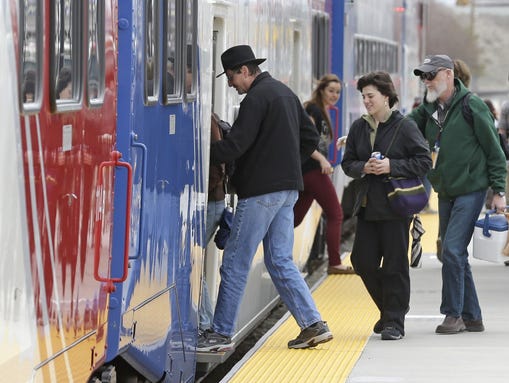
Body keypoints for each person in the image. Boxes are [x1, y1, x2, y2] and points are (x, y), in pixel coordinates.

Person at [197, 45, 333, 352]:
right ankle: (313, 324)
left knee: (234, 261)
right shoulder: (285, 93)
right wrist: (285, 164)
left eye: (232, 77)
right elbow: (311, 139)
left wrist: (198, 151)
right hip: (288, 190)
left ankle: (218, 334)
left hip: (261, 193)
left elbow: (235, 146)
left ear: (244, 71)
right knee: (279, 260)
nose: (231, 85)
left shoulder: (256, 99)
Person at [409, 54, 506, 334]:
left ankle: (453, 315)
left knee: (451, 250)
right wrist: (365, 133)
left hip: (471, 189)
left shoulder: (472, 105)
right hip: (446, 190)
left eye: (431, 75)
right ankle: (473, 316)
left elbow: (495, 152)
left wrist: (499, 191)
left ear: (449, 75)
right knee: (452, 253)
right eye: (423, 76)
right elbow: (401, 128)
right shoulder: (428, 108)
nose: (426, 81)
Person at [341, 71, 431, 341]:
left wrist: (392, 166)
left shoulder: (404, 127)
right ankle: (391, 310)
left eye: (370, 96)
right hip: (368, 206)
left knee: (395, 265)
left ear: (386, 96)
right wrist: (364, 167)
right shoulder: (359, 127)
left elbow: (424, 161)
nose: (366, 101)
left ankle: (394, 322)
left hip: (395, 206)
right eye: (364, 96)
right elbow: (347, 164)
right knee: (362, 261)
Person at [294, 74, 354, 275]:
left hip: (312, 171)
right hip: (312, 170)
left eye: (338, 92)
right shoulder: (312, 109)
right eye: (331, 90)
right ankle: (335, 263)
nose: (335, 95)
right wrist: (321, 159)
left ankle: (269, 241)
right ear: (321, 90)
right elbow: (304, 140)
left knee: (294, 217)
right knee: (336, 213)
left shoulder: (324, 111)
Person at [199, 114, 229, 333]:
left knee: (190, 263)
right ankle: (204, 322)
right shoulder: (209, 117)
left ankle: (205, 323)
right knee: (192, 263)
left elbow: (217, 167)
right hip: (212, 203)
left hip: (209, 203)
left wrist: (198, 194)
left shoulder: (206, 120)